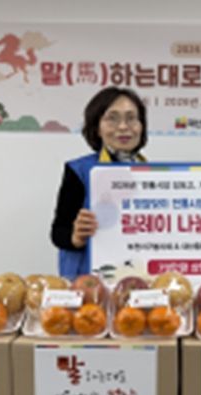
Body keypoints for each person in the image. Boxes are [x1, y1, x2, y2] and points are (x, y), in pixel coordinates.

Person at [51, 87, 148, 279]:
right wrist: (76, 237)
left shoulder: (153, 174)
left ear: (141, 126)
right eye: (112, 118)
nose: (123, 126)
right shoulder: (79, 170)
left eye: (131, 118)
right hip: (88, 280)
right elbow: (58, 232)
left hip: (136, 277)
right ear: (97, 128)